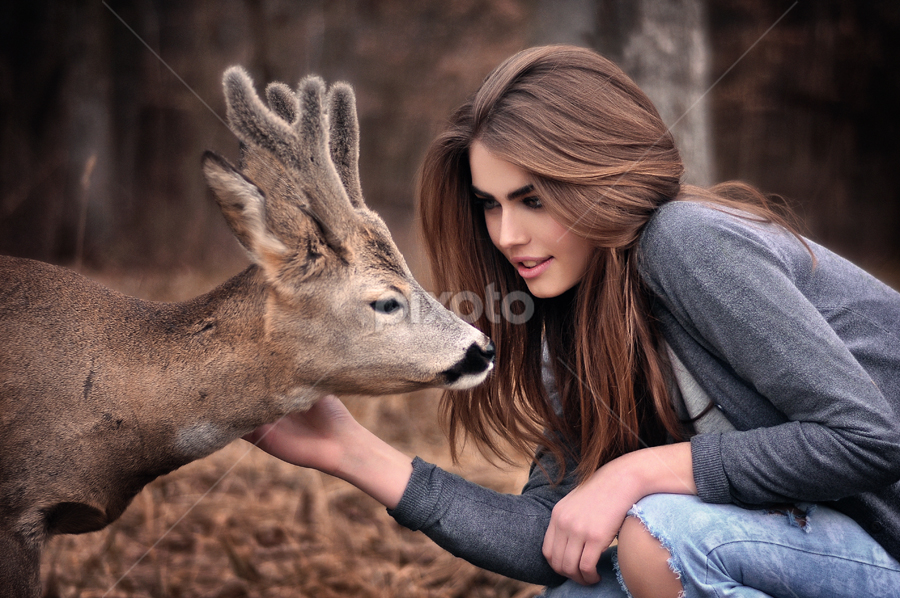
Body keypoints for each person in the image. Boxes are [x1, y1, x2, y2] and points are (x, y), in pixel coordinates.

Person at [244, 45, 900, 597]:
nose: (506, 235)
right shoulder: (572, 325)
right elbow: (552, 537)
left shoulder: (689, 243)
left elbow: (871, 438)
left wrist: (637, 472)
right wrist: (351, 452)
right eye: (490, 205)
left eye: (532, 199)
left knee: (659, 537)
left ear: (596, 176)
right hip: (817, 546)